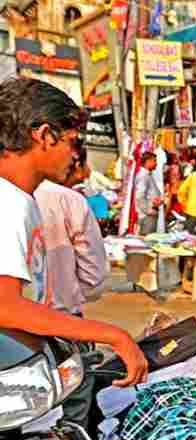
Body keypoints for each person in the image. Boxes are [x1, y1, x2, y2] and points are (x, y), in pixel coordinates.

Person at [0, 77, 146, 392]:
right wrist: (112, 335)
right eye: (73, 141)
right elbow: (4, 307)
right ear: (44, 136)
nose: (75, 155)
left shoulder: (22, 198)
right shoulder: (8, 201)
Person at [34, 148, 108, 426]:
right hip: (63, 324)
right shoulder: (69, 201)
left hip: (13, 331)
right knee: (73, 415)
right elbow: (93, 279)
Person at [135, 151, 161, 235]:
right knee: (147, 241)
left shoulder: (148, 175)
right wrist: (148, 210)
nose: (156, 163)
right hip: (147, 216)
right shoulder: (144, 176)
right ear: (148, 162)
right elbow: (139, 196)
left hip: (150, 213)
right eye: (154, 161)